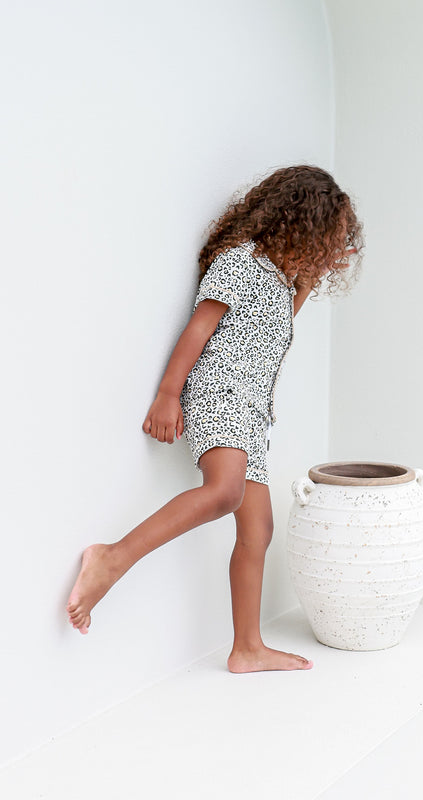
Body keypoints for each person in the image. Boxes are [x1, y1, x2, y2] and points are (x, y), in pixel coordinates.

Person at [66, 164, 364, 673]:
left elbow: (275, 328)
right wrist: (168, 393)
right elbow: (199, 329)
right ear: (300, 223)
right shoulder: (239, 262)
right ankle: (111, 558)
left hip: (253, 412)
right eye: (325, 240)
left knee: (259, 528)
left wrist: (309, 281)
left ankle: (246, 647)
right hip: (219, 394)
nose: (326, 253)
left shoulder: (278, 280)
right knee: (225, 492)